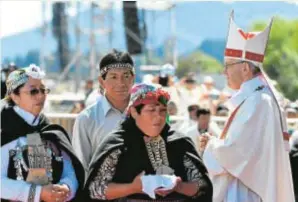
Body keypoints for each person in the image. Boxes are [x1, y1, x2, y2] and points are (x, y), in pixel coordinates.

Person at [200, 12, 295, 202]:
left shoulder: (258, 101)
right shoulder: (257, 97)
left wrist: (210, 145)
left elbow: (236, 154)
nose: (223, 71)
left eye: (228, 65)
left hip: (248, 191)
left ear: (245, 68)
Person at [83, 83, 213, 202]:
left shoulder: (180, 142)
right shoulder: (117, 144)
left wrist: (179, 186)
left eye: (162, 110)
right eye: (151, 110)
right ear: (134, 112)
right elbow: (95, 190)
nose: (159, 116)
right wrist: (133, 188)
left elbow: (202, 187)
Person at [1, 64, 84, 202]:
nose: (40, 95)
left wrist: (66, 187)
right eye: (33, 91)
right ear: (15, 96)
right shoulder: (4, 130)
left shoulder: (47, 129)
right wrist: (37, 193)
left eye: (43, 90)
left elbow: (69, 170)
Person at [72, 50, 135, 173]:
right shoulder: (87, 119)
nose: (120, 83)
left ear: (133, 78)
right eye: (113, 77)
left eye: (126, 76)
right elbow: (81, 166)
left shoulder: (148, 112)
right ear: (102, 81)